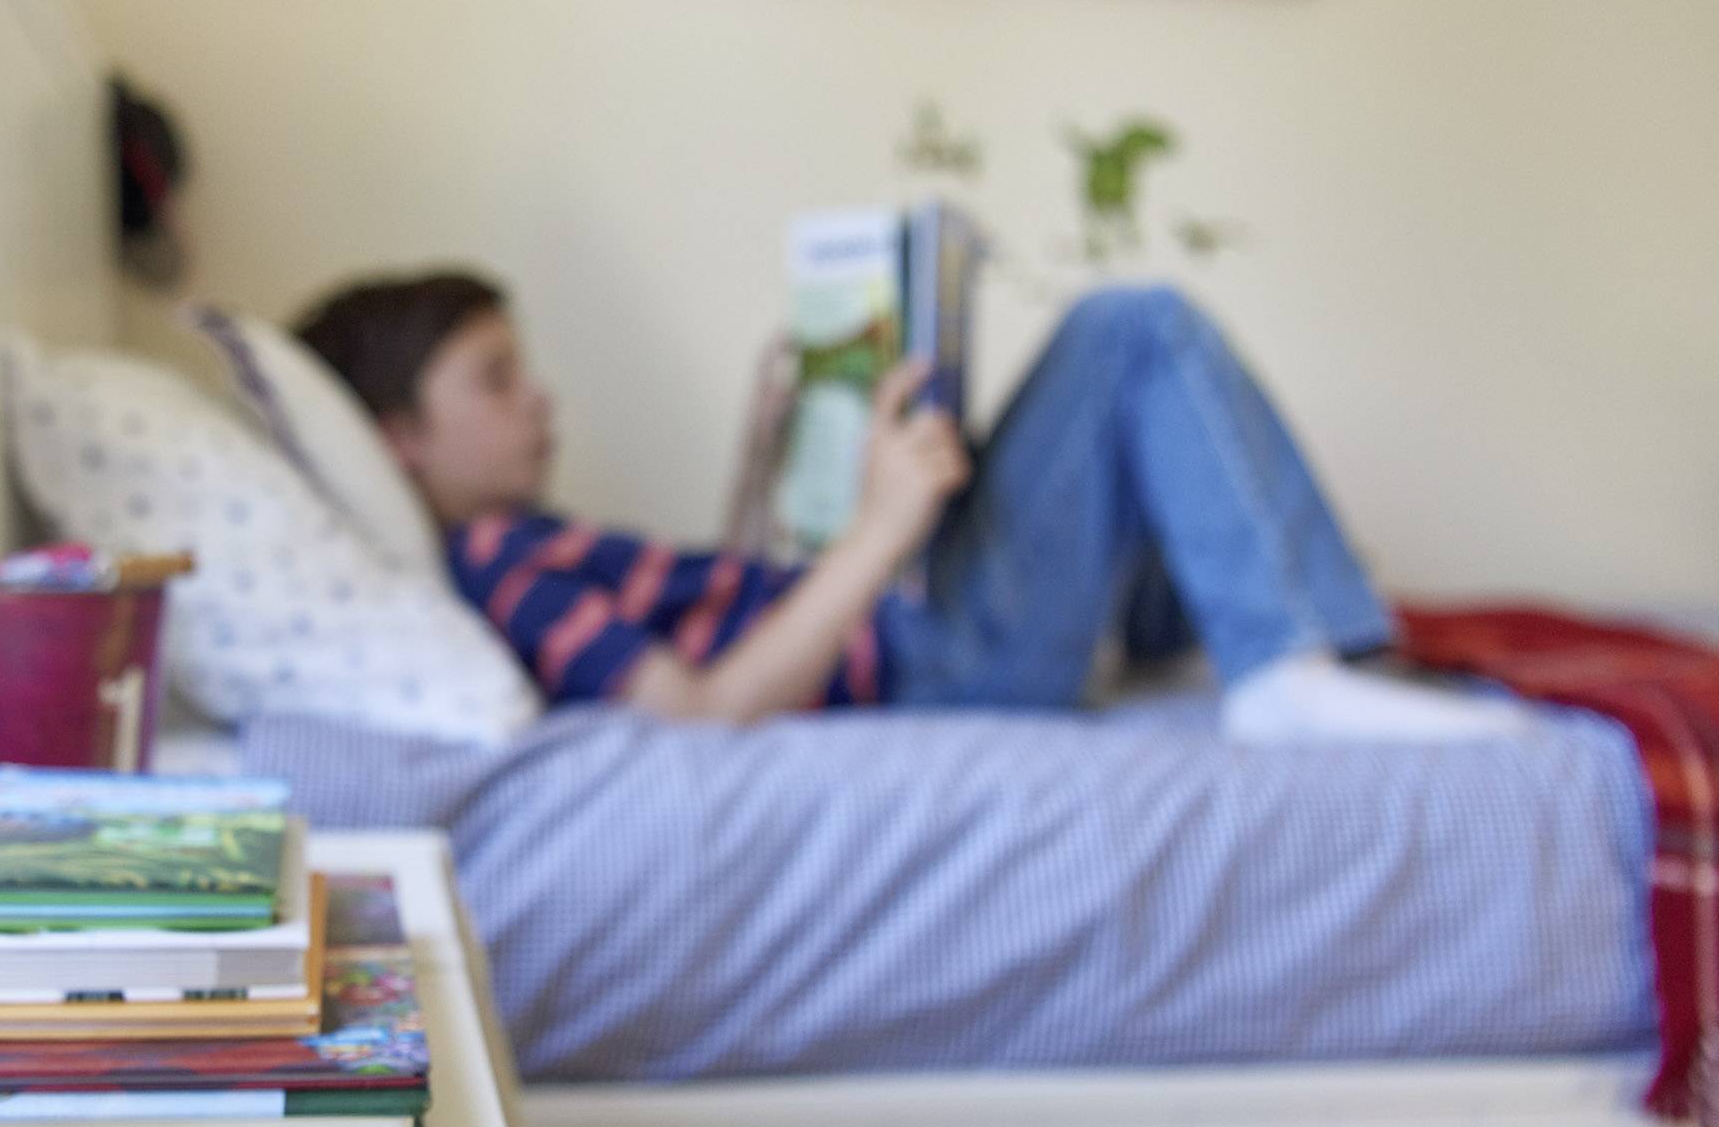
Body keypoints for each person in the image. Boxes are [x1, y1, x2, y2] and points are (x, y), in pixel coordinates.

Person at [292, 270, 1526, 742]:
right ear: (398, 436)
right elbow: (697, 712)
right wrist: (881, 533)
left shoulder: (527, 542)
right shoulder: (499, 562)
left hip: (918, 623)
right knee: (1136, 330)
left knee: (1089, 418)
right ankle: (1288, 667)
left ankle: (1237, 639)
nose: (540, 401)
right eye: (495, 380)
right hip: (932, 654)